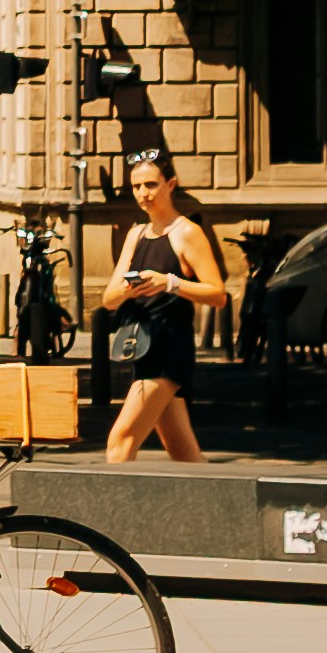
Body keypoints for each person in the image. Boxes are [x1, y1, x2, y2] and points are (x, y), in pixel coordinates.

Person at [97, 150, 228, 466]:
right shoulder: (135, 234)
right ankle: (222, 512)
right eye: (136, 186)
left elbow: (218, 294)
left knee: (120, 442)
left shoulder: (187, 232)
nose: (143, 194)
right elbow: (108, 299)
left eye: (151, 184)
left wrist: (169, 283)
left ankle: (109, 514)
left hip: (169, 349)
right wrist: (129, 290)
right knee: (185, 455)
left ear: (171, 184)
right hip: (142, 347)